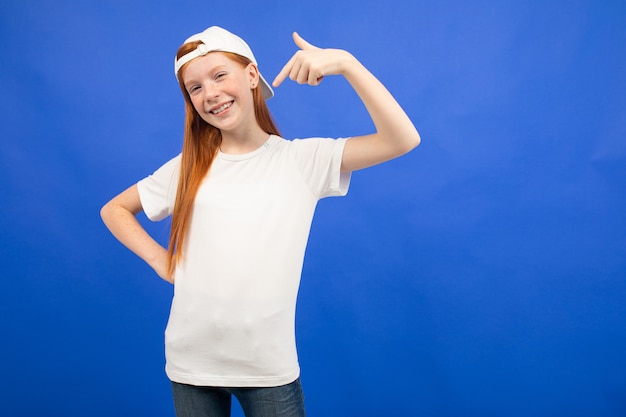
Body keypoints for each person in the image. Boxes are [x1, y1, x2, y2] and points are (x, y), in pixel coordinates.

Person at [100, 26, 420, 417]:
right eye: (195, 88)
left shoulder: (301, 161)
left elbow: (401, 139)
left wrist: (346, 63)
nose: (210, 94)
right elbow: (114, 209)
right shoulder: (187, 168)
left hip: (268, 368)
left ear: (252, 75)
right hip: (190, 361)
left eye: (220, 75)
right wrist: (161, 261)